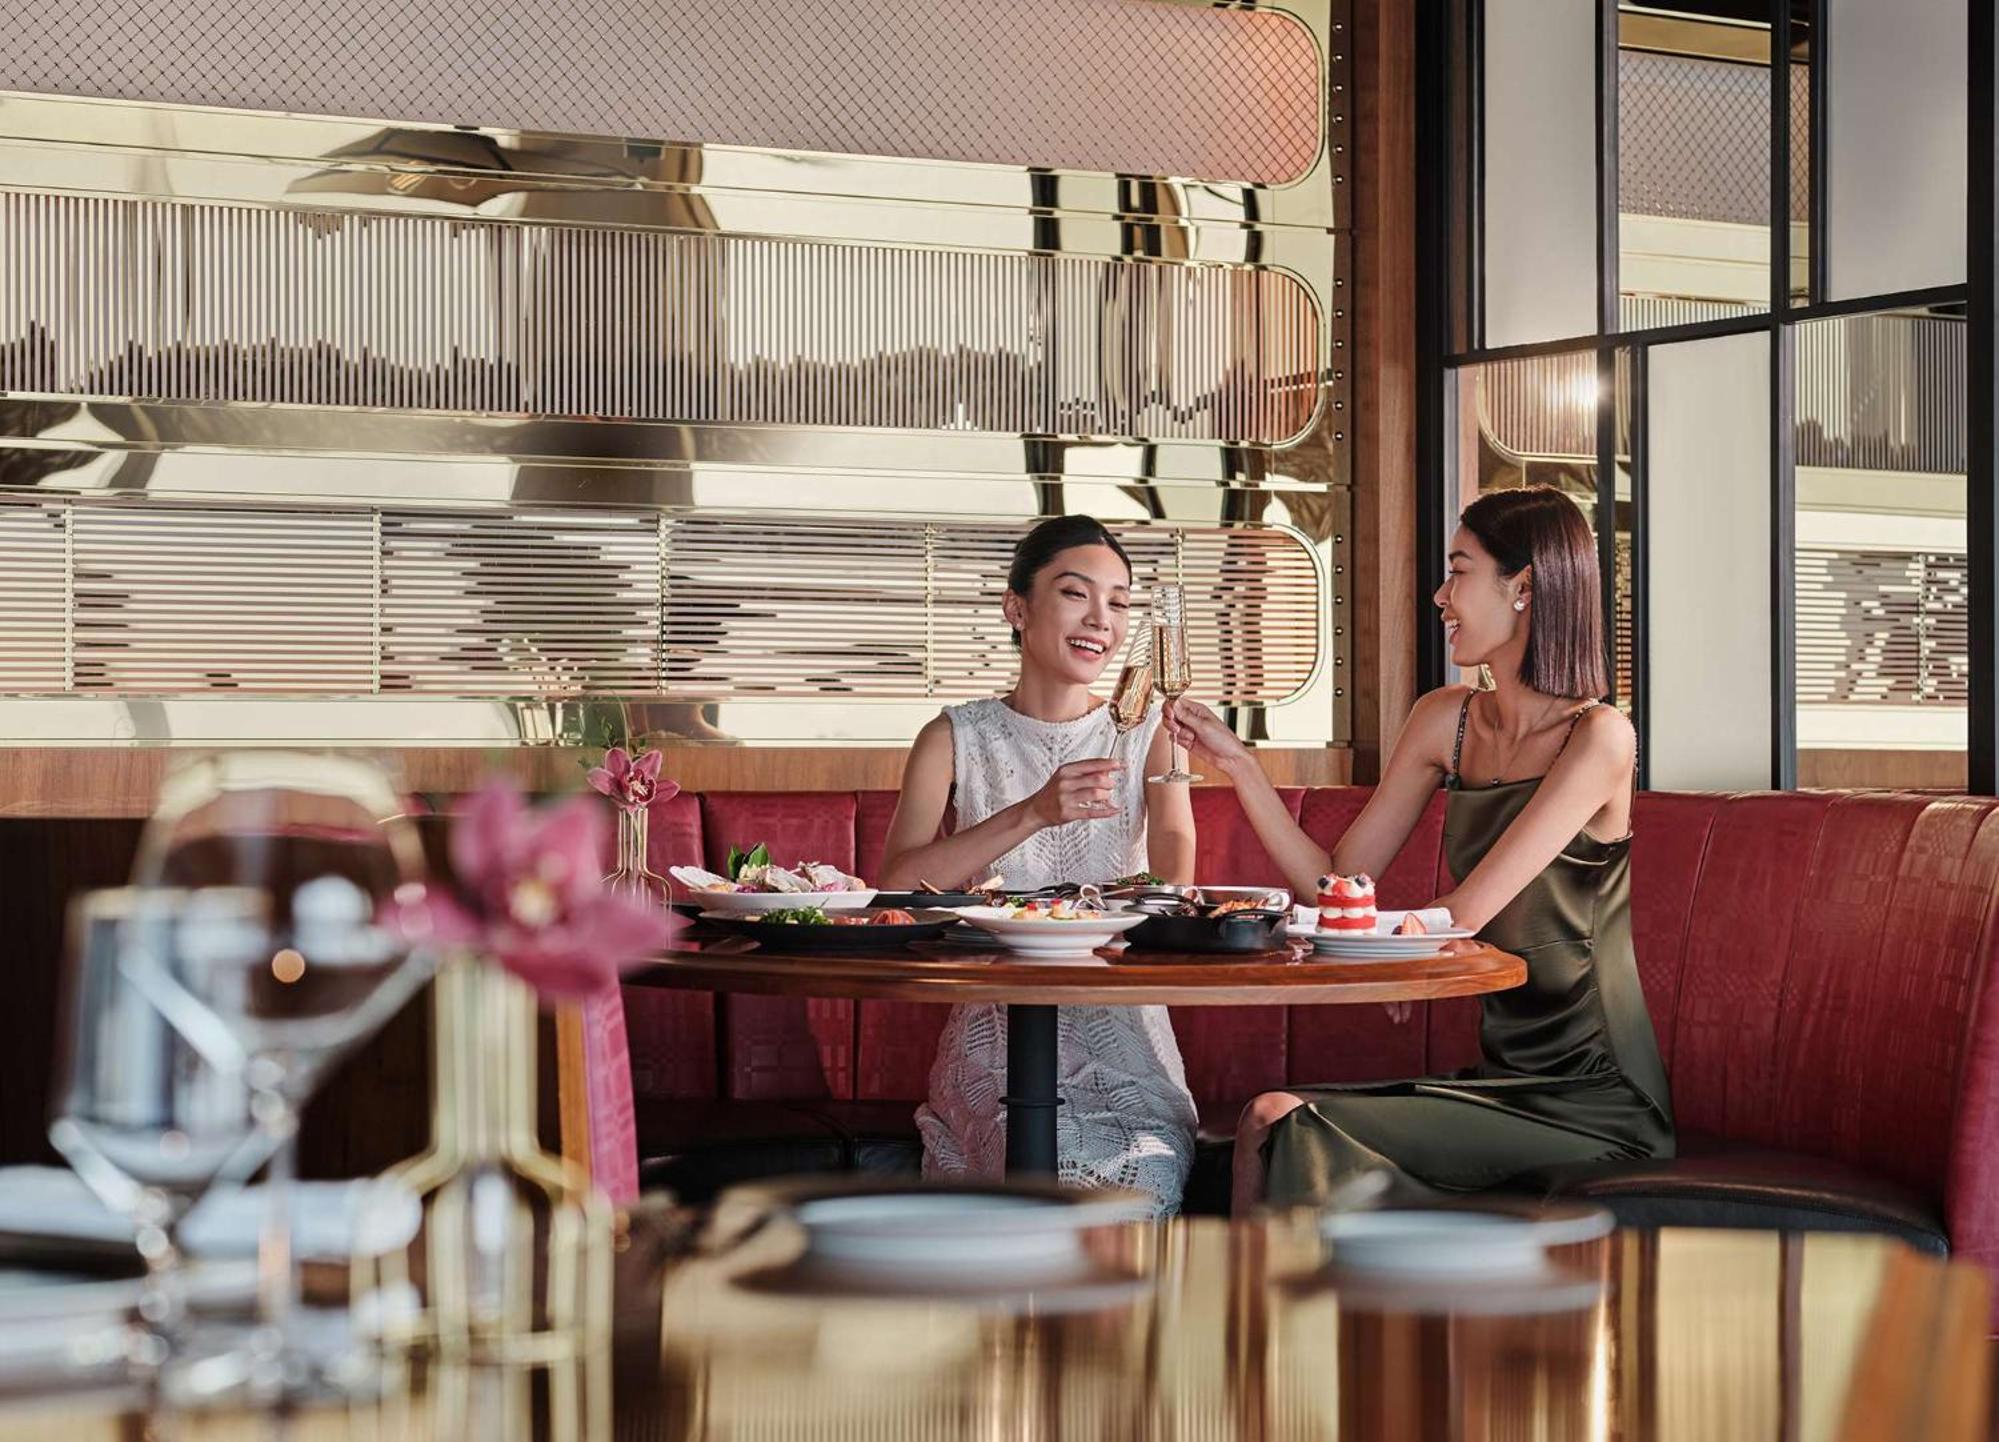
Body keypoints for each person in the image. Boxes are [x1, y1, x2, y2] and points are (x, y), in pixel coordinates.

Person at [1165, 485, 1673, 1213]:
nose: (1440, 595)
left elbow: (1465, 913)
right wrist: (1239, 766)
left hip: (1595, 1097)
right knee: (1264, 1122)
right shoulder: (1445, 720)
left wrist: (1406, 949)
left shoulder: (1599, 738)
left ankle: (1297, 1288)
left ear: (1524, 588)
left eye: (1458, 571)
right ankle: (1263, 1293)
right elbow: (1337, 881)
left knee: (1283, 1121)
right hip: (1505, 1078)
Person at [879, 514, 1199, 1212]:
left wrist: (1147, 892)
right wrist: (1032, 812)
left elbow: (1175, 874)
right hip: (993, 1050)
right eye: (1075, 593)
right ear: (1016, 608)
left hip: (1126, 1053)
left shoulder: (1150, 732)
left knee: (1132, 1189)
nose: (1101, 620)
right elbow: (895, 889)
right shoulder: (952, 736)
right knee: (1028, 1188)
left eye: (1118, 603)